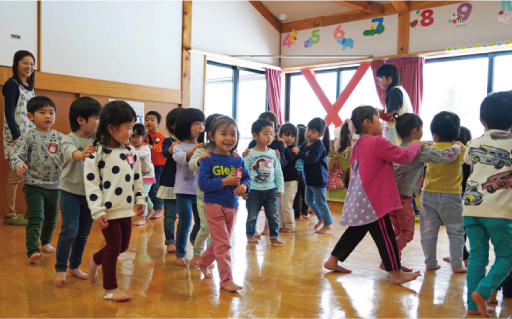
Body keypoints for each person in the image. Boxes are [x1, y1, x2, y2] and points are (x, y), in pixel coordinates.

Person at [324, 105, 423, 285]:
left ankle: (333, 260)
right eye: (378, 118)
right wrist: (415, 146)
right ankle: (396, 273)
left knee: (356, 231)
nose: (382, 122)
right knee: (386, 238)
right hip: (374, 201)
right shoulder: (378, 141)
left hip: (362, 198)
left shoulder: (358, 144)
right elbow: (403, 157)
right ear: (367, 123)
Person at [85, 101, 146, 302]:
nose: (131, 132)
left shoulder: (131, 152)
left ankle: (94, 260)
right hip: (108, 211)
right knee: (114, 247)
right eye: (128, 128)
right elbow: (92, 186)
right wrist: (97, 211)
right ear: (111, 128)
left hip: (126, 209)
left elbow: (137, 178)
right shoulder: (95, 153)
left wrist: (140, 198)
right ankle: (110, 288)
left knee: (123, 246)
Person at [462, 92, 512, 317]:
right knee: (507, 256)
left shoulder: (473, 143)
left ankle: (473, 307)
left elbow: (467, 162)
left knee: (477, 257)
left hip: (471, 210)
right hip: (500, 211)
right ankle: (482, 292)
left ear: (482, 121)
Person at [392, 113, 462, 271]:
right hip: (405, 199)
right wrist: (458, 146)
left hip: (393, 198)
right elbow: (444, 156)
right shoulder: (418, 149)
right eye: (421, 128)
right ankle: (389, 259)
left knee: (402, 231)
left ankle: (396, 262)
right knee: (408, 233)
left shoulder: (397, 148)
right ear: (415, 130)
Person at [197, 116, 251, 292]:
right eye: (224, 134)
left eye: (233, 134)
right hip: (213, 206)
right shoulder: (208, 159)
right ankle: (226, 280)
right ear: (212, 136)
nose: (229, 138)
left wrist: (244, 186)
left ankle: (203, 262)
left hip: (233, 206)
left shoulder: (237, 159)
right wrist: (225, 181)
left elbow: (247, 178)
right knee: (224, 244)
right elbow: (203, 184)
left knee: (221, 242)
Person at [9, 96, 63, 263]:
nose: (48, 116)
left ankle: (46, 241)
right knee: (36, 217)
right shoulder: (28, 136)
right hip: (34, 185)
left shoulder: (60, 137)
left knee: (52, 217)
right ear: (30, 116)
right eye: (42, 112)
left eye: (51, 112)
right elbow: (16, 154)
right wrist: (18, 164)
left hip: (55, 186)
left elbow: (70, 152)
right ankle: (32, 249)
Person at [54, 97, 101, 285]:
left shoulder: (98, 140)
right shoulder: (69, 138)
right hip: (70, 192)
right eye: (96, 117)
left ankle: (74, 266)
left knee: (83, 232)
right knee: (70, 230)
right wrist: (82, 154)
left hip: (90, 195)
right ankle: (60, 268)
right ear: (81, 120)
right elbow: (69, 153)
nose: (99, 121)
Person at [420, 111, 467, 274]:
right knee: (455, 231)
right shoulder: (460, 150)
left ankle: (430, 263)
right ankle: (456, 264)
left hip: (428, 194)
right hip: (451, 195)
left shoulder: (431, 149)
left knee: (428, 231)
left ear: (434, 135)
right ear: (456, 134)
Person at [2, 50, 36, 226]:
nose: (29, 67)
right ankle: (9, 215)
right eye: (25, 63)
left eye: (31, 63)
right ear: (16, 64)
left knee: (30, 174)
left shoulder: (31, 87)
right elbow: (9, 112)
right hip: (16, 136)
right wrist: (16, 136)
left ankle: (31, 213)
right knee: (15, 174)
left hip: (30, 136)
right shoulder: (11, 85)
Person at [172, 108, 205, 266]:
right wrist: (193, 151)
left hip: (200, 192)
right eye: (196, 123)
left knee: (200, 222)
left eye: (202, 124)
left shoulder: (205, 146)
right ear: (186, 125)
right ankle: (180, 253)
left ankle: (194, 239)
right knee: (185, 222)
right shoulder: (179, 145)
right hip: (183, 191)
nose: (200, 127)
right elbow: (179, 159)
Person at [244, 119, 284, 246]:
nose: (269, 137)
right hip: (253, 190)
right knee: (252, 216)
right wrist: (244, 190)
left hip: (271, 190)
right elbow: (245, 173)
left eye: (271, 134)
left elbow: (278, 171)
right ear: (255, 135)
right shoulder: (249, 154)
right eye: (265, 133)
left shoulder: (273, 153)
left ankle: (274, 236)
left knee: (273, 215)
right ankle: (250, 234)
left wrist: (280, 188)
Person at [189, 113, 222, 266]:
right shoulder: (203, 148)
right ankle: (197, 252)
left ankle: (209, 255)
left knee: (217, 231)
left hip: (222, 198)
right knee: (206, 228)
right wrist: (200, 159)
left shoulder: (227, 151)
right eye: (221, 132)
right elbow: (192, 165)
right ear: (210, 134)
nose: (226, 137)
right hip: (204, 197)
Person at [291, 118, 333, 234]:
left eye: (313, 132)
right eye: (308, 130)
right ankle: (321, 218)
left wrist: (299, 153)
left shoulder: (319, 145)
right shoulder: (305, 144)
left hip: (318, 180)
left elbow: (312, 159)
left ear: (320, 135)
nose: (309, 133)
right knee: (308, 200)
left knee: (320, 202)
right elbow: (298, 154)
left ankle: (328, 223)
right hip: (309, 180)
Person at [157, 108, 184, 254]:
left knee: (184, 217)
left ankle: (181, 241)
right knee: (170, 215)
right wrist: (173, 147)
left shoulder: (194, 142)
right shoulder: (169, 140)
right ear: (172, 125)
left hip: (187, 184)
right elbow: (165, 152)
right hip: (170, 183)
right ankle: (169, 241)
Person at [375, 64, 413, 145]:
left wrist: (376, 114)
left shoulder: (393, 91)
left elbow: (393, 117)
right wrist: (383, 111)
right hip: (401, 133)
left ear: (390, 78)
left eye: (381, 78)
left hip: (395, 136)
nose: (378, 81)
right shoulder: (399, 89)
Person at [130, 123, 156, 226]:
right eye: (132, 136)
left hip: (147, 176)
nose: (134, 139)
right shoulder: (132, 147)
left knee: (142, 195)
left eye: (137, 137)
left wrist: (128, 148)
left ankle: (142, 218)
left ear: (144, 137)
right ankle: (151, 210)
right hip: (138, 176)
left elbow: (135, 155)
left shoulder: (145, 148)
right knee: (144, 195)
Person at [145, 111, 166, 219]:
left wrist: (152, 147)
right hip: (146, 166)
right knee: (147, 189)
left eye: (152, 120)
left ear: (158, 124)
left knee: (156, 188)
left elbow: (161, 148)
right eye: (147, 119)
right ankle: (151, 209)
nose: (149, 122)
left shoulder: (162, 137)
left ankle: (158, 209)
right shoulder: (143, 136)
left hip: (159, 166)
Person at [278, 123, 299, 232]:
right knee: (279, 205)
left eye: (292, 136)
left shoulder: (293, 149)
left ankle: (289, 225)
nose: (289, 138)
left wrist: (285, 146)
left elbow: (290, 158)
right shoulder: (277, 147)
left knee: (286, 204)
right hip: (278, 182)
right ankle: (281, 225)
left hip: (290, 181)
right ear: (280, 135)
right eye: (286, 135)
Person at [293, 124, 309, 220]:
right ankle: (305, 212)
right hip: (303, 174)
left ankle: (296, 214)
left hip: (294, 174)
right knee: (305, 195)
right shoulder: (305, 148)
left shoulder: (293, 148)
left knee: (296, 195)